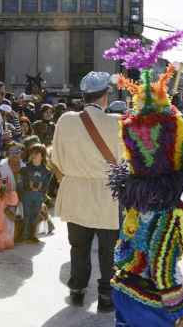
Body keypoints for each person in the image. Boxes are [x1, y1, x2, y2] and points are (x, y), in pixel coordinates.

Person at [107, 64, 183, 327]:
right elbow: (161, 264)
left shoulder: (135, 201)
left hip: (123, 290)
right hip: (149, 302)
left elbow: (123, 249)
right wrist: (181, 305)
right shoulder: (171, 211)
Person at [51, 71, 122, 313]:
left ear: (83, 95)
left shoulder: (65, 120)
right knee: (108, 250)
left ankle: (77, 290)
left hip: (76, 192)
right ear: (105, 96)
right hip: (108, 195)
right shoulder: (118, 123)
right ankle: (105, 296)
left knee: (78, 246)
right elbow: (128, 164)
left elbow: (56, 160)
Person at [19, 143, 52, 243]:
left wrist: (41, 190)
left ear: (42, 155)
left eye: (37, 153)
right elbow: (22, 182)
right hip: (27, 195)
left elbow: (46, 186)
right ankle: (24, 235)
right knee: (26, 215)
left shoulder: (46, 171)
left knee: (35, 215)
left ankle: (33, 234)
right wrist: (29, 186)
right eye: (32, 153)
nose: (34, 155)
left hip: (38, 196)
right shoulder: (25, 169)